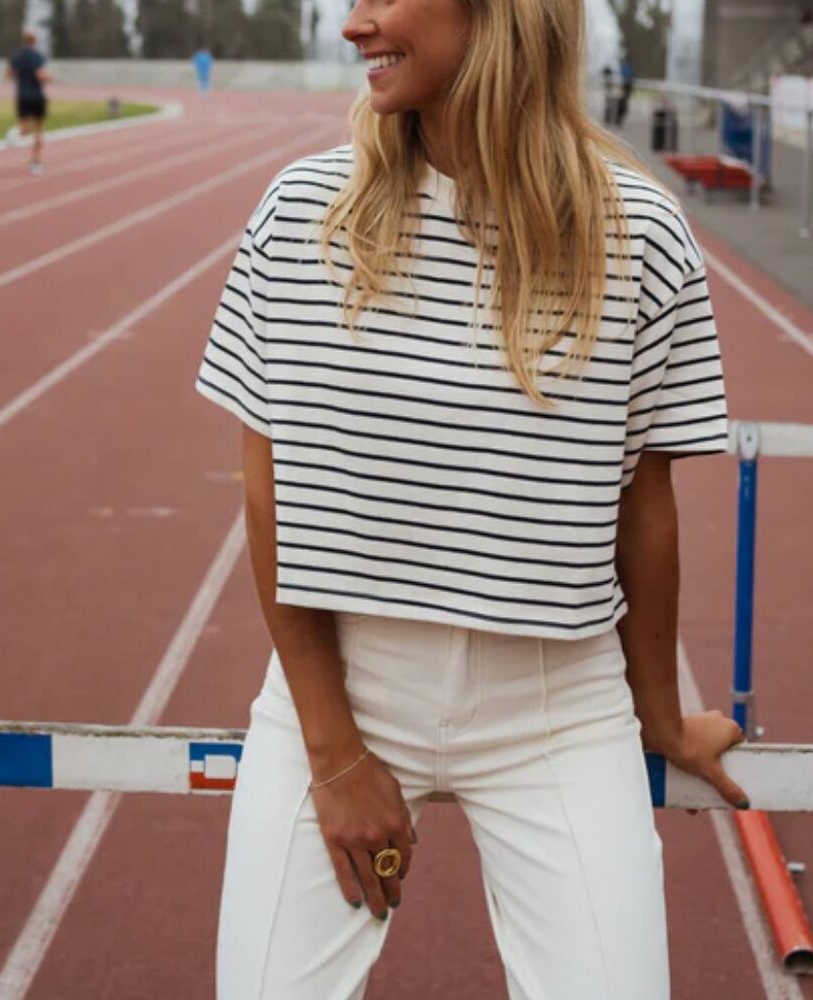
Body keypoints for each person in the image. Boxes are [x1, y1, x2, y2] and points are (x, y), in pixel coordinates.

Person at [195, 1, 748, 996]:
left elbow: (641, 502)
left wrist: (661, 712)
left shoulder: (641, 232)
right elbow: (268, 486)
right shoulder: (301, 212)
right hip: (339, 694)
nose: (354, 24)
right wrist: (331, 753)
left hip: (558, 708)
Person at [5, 28, 52, 175]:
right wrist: (49, 78)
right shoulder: (37, 56)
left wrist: (21, 78)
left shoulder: (16, 56)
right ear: (35, 41)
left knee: (24, 128)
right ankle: (35, 162)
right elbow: (41, 76)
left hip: (22, 96)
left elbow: (9, 75)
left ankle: (14, 132)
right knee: (39, 129)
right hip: (37, 96)